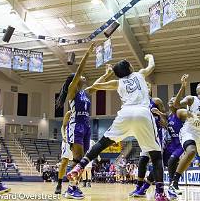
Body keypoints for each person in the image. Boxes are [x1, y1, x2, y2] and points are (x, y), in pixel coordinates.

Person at [67, 55, 171, 201]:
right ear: (129, 67)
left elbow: (96, 86)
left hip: (125, 114)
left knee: (102, 143)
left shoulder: (117, 83)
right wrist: (150, 57)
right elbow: (152, 66)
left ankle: (80, 166)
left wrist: (106, 74)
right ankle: (159, 193)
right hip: (143, 113)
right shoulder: (139, 74)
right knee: (156, 155)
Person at [56, 43, 112, 199]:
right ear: (75, 79)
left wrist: (107, 74)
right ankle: (70, 189)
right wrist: (88, 53)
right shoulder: (73, 90)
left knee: (84, 162)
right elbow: (79, 70)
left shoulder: (85, 93)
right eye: (79, 76)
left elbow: (97, 84)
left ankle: (73, 188)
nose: (83, 76)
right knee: (78, 159)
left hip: (86, 126)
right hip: (76, 126)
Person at [131, 97, 184, 199]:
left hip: (180, 145)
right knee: (158, 165)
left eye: (174, 100)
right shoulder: (169, 115)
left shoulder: (180, 113)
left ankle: (172, 188)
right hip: (171, 144)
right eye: (170, 100)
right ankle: (144, 188)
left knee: (170, 163)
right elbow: (165, 120)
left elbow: (187, 116)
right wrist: (160, 115)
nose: (171, 101)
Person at [129, 83, 166, 197]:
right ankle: (139, 187)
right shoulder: (139, 104)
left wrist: (160, 114)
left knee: (157, 162)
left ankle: (150, 188)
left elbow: (166, 118)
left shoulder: (156, 101)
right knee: (142, 162)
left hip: (158, 135)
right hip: (145, 135)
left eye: (148, 86)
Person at [55, 111, 73, 194]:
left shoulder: (82, 113)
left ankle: (73, 185)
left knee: (76, 164)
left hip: (77, 140)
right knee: (64, 162)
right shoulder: (69, 113)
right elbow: (63, 126)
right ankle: (59, 184)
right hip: (67, 140)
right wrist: (63, 136)